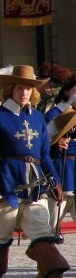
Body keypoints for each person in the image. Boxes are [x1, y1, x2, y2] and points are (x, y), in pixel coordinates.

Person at [0, 64, 76, 278]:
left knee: (43, 233)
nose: (25, 92)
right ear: (11, 89)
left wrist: (54, 182)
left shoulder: (38, 118)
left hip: (36, 185)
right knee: (1, 235)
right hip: (7, 184)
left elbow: (44, 156)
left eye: (29, 88)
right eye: (21, 87)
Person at [44, 74, 76, 244]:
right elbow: (42, 145)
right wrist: (56, 143)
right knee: (53, 224)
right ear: (66, 92)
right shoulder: (55, 114)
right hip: (60, 168)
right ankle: (48, 264)